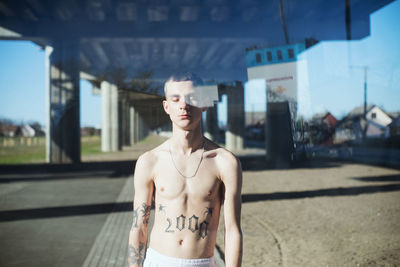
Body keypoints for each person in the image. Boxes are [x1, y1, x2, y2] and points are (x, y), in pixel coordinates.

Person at [128, 73, 243, 267]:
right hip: (158, 261)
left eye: (192, 98)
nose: (184, 105)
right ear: (167, 107)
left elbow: (232, 230)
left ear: (204, 103)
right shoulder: (149, 161)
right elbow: (139, 227)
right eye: (176, 98)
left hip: (202, 262)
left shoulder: (225, 162)